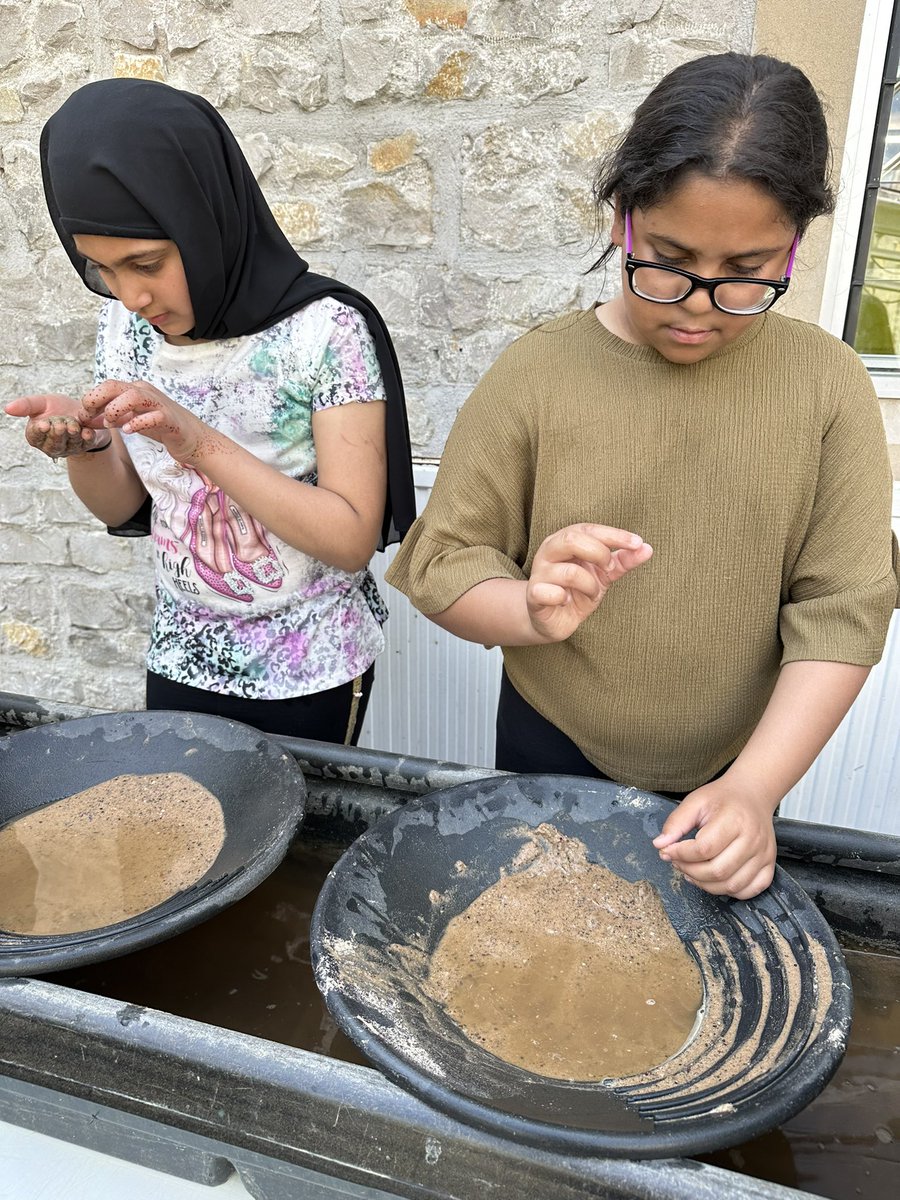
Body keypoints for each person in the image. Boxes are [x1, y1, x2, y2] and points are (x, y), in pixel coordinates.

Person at [385, 52, 899, 900]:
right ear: (624, 218)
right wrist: (530, 608)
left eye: (748, 271)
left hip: (743, 760)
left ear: (796, 246)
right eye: (668, 257)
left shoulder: (828, 383)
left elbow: (843, 609)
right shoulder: (539, 373)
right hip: (553, 741)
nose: (699, 303)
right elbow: (443, 561)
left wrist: (755, 790)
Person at [5, 78, 415, 744]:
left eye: (146, 262)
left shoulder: (325, 332)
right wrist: (85, 445)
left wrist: (194, 441)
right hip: (179, 655)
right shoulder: (124, 328)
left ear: (205, 221)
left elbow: (350, 537)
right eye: (101, 269)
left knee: (292, 846)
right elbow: (124, 508)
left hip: (305, 668)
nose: (130, 294)